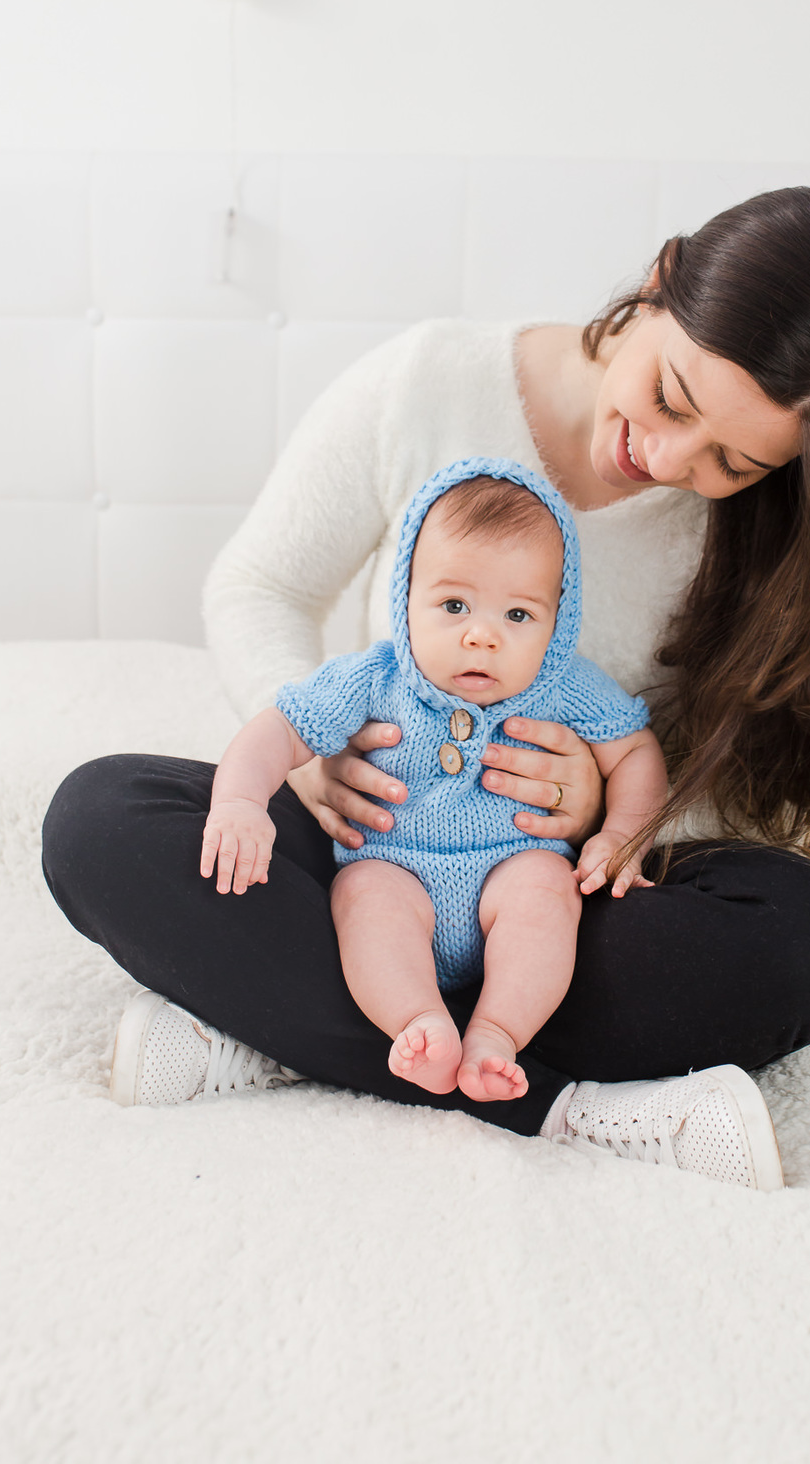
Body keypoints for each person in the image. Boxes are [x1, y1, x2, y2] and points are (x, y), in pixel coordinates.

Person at [42, 185, 810, 1193]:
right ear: (661, 285)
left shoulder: (780, 535)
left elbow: (749, 786)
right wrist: (312, 765)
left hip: (565, 901)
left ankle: (294, 1038)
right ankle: (567, 1103)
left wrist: (607, 817)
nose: (663, 459)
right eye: (671, 398)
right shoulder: (429, 382)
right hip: (372, 853)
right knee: (101, 821)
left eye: (732, 462)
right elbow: (259, 585)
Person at [199, 457, 667, 1104]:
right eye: (454, 605)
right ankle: (418, 1023)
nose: (482, 636)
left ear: (558, 621)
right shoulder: (373, 678)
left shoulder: (563, 686)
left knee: (547, 895)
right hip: (397, 871)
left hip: (512, 869)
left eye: (519, 616)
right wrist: (241, 801)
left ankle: (497, 1032)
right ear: (405, 599)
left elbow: (636, 751)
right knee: (363, 896)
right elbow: (278, 729)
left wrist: (622, 831)